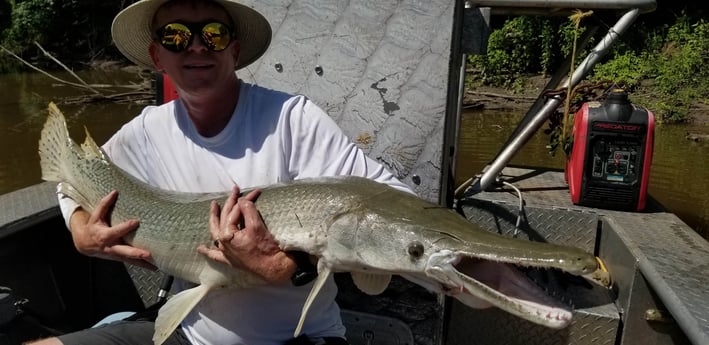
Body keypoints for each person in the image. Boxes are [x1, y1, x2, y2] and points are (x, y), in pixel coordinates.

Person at [28, 0, 410, 345]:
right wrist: (80, 230)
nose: (196, 46)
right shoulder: (143, 133)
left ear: (235, 50)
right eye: (175, 36)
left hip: (302, 338)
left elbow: (395, 204)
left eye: (213, 34)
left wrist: (288, 267)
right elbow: (71, 180)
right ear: (157, 55)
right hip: (189, 333)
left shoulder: (294, 119)